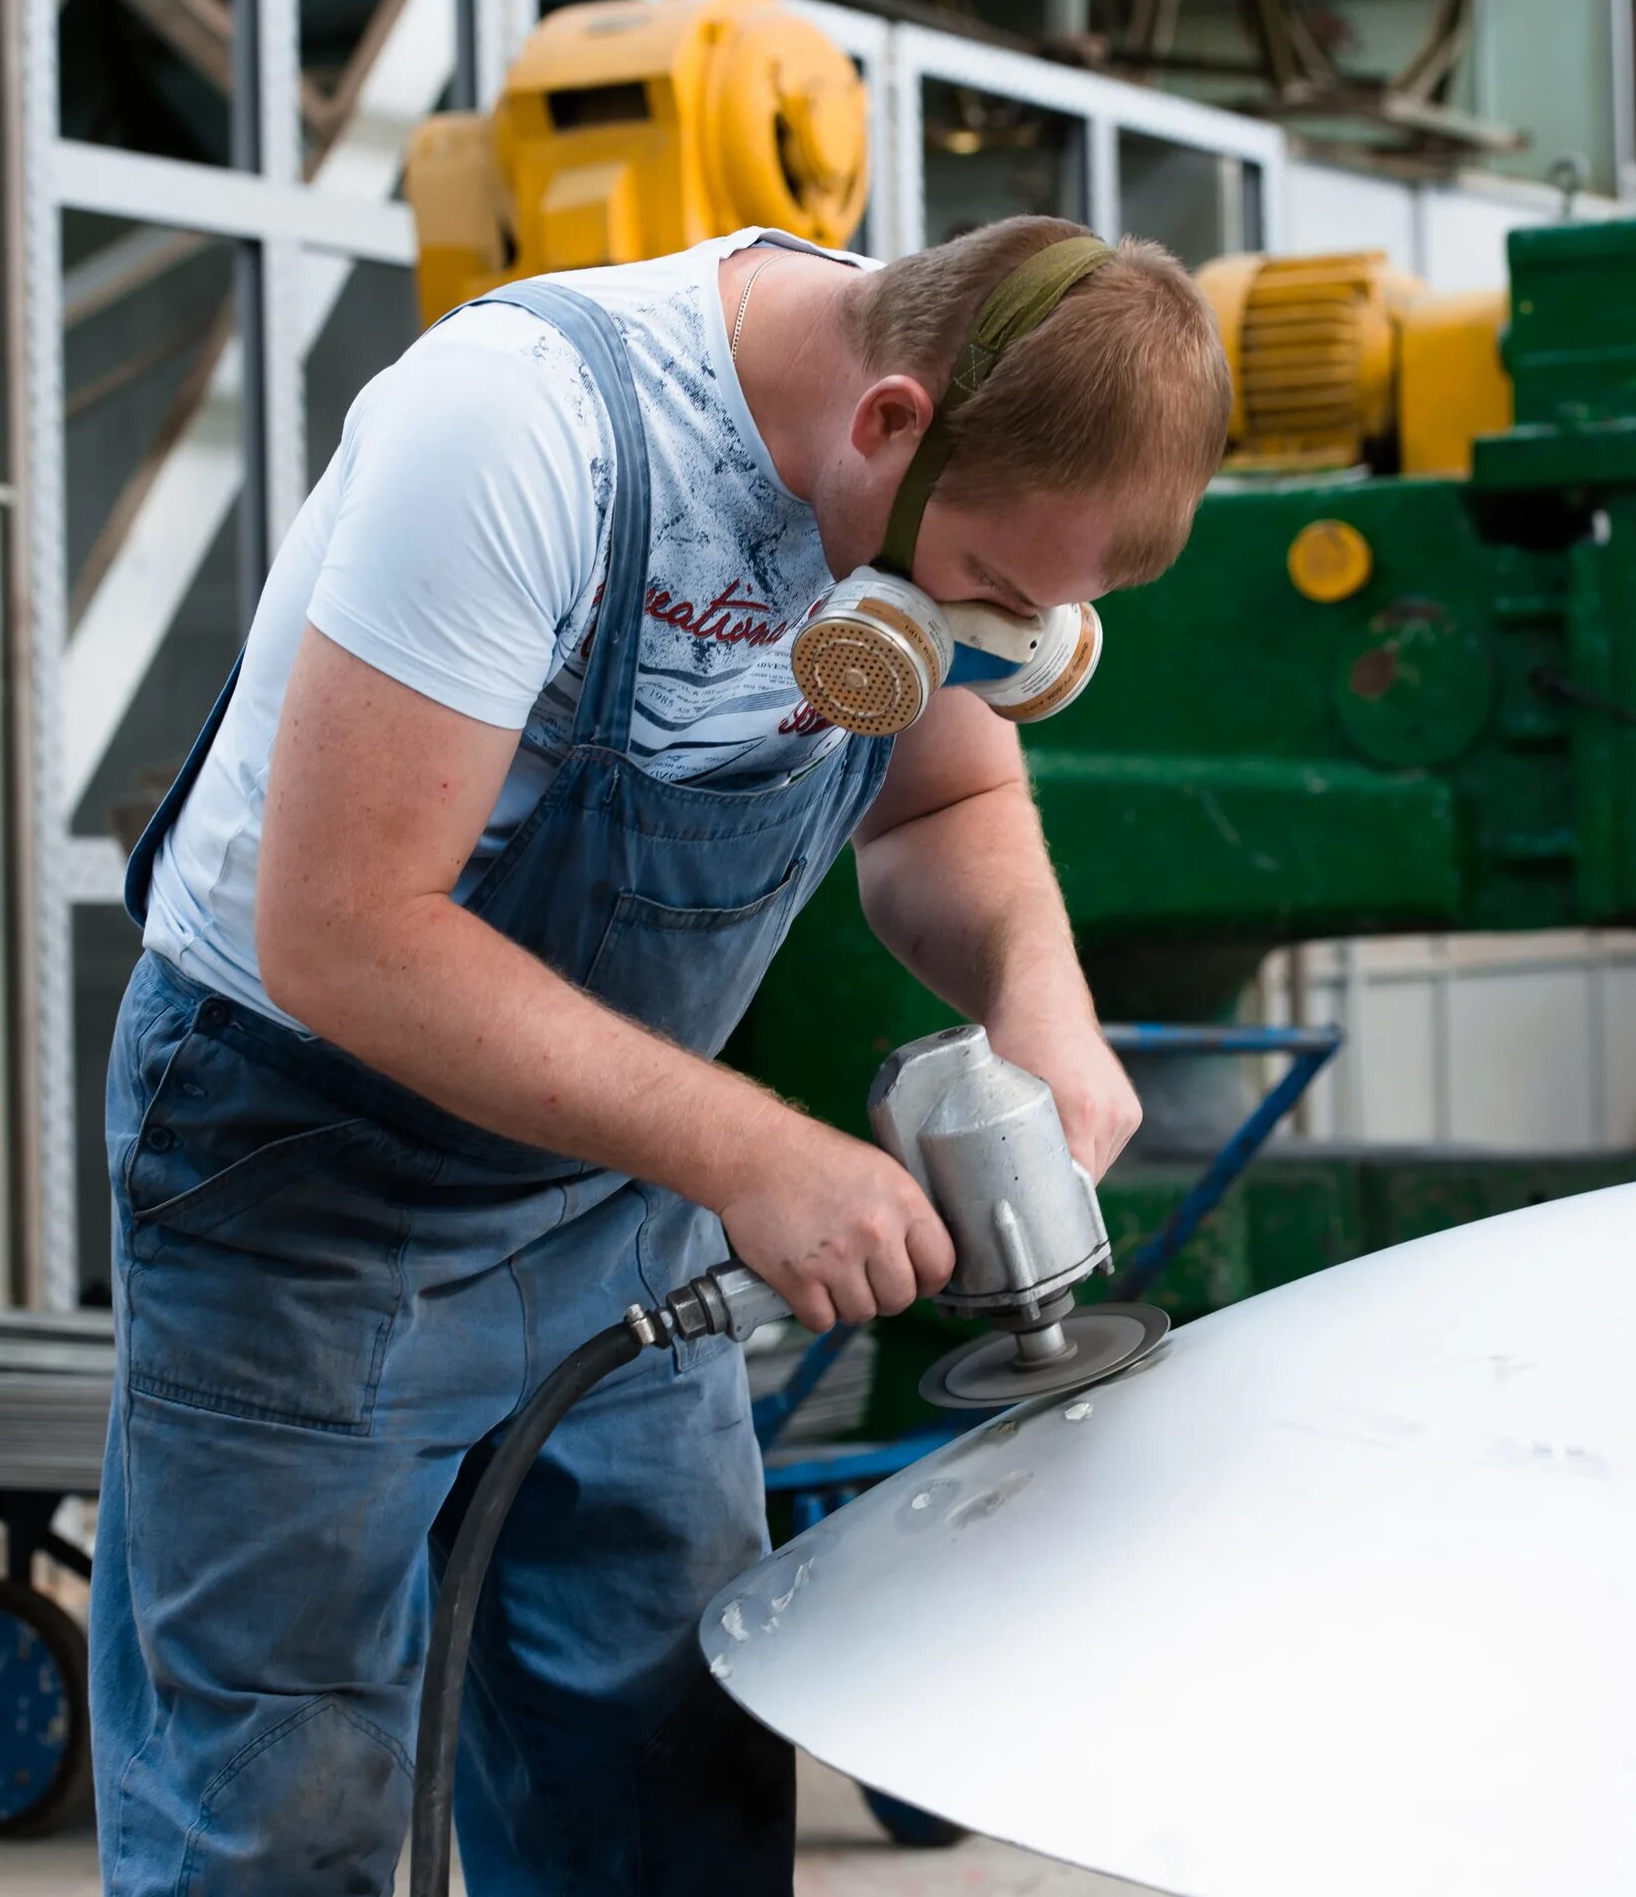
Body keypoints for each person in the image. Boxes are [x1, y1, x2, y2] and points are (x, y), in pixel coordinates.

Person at [90, 212, 1231, 1893]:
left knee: (663, 1786)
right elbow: (342, 930)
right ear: (892, 421)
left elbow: (954, 800)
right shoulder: (526, 430)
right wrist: (756, 1153)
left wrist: (1038, 997)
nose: (989, 640)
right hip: (308, 1176)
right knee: (276, 1804)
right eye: (987, 595)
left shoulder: (921, 521)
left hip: (615, 1195)